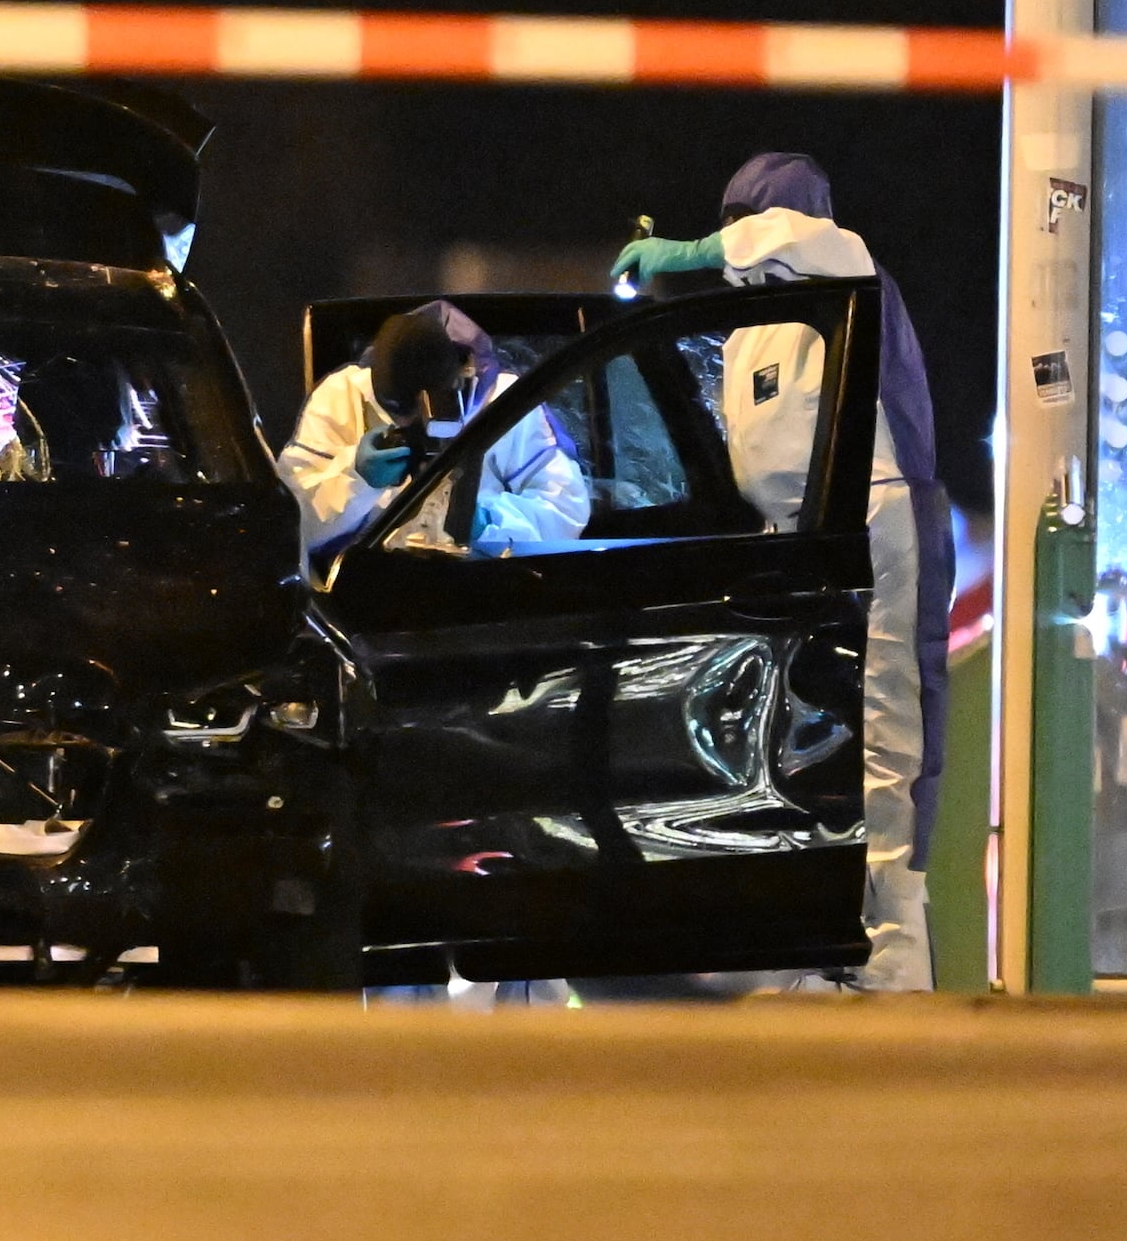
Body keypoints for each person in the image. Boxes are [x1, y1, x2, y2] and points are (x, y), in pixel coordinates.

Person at [613, 153, 951, 993]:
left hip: (880, 526)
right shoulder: (746, 331)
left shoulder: (846, 269)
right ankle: (822, 952)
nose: (733, 238)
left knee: (888, 747)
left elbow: (802, 237)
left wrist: (691, 250)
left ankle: (898, 968)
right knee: (804, 755)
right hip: (798, 552)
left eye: (741, 220)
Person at [279, 301, 588, 569]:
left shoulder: (507, 404)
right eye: (397, 412)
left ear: (460, 380)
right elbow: (289, 527)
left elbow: (565, 513)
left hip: (484, 587)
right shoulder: (341, 397)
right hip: (367, 593)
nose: (413, 424)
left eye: (421, 410)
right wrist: (355, 481)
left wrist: (486, 522)